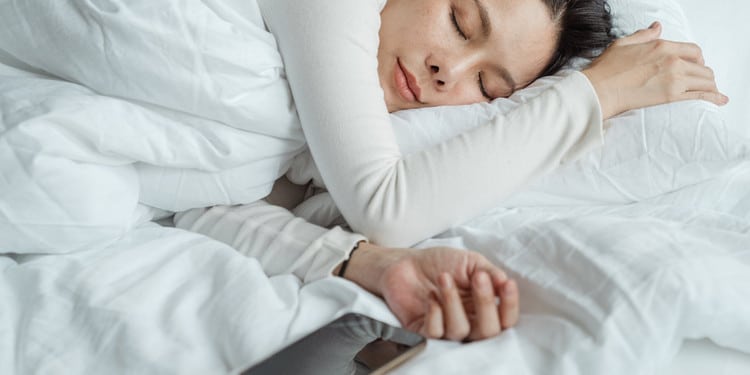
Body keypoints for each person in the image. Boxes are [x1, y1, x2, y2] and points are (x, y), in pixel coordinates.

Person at [0, 0, 726, 346]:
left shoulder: (306, 136)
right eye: (462, 20)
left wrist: (364, 263)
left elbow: (190, 198)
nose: (450, 71)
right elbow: (389, 203)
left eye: (490, 90)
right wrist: (594, 96)